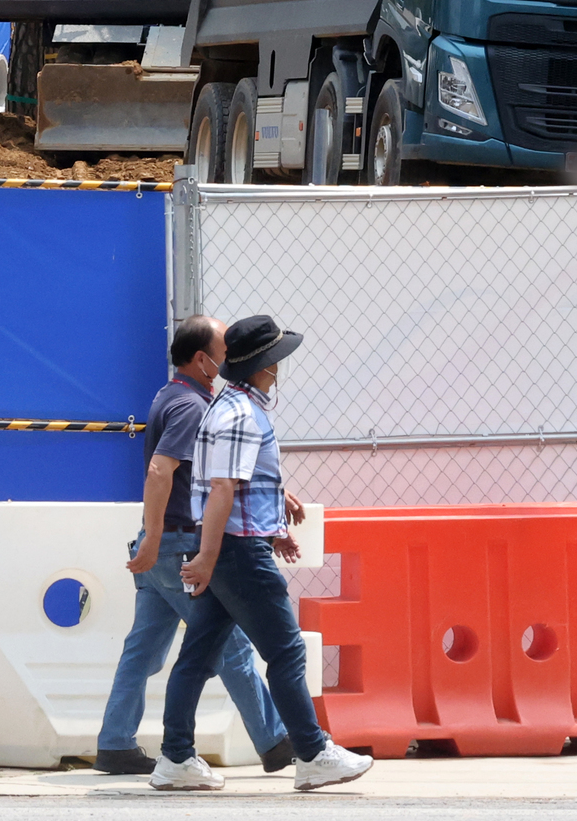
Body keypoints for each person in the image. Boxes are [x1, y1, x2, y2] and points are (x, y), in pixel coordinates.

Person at [151, 314, 374, 795]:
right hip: (237, 554)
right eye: (276, 361)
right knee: (286, 652)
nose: (279, 370)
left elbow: (241, 490)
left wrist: (270, 532)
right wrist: (209, 556)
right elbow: (223, 490)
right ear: (263, 366)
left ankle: (175, 759)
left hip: (232, 548)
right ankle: (312, 754)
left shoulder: (230, 406)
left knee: (197, 656)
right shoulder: (241, 415)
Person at [95, 315, 290, 775]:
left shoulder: (172, 396)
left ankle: (116, 743)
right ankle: (277, 742)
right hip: (179, 543)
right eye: (224, 351)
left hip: (163, 546)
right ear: (203, 360)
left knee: (143, 650)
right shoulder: (191, 407)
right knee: (230, 647)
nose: (231, 359)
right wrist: (154, 537)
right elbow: (160, 471)